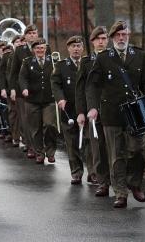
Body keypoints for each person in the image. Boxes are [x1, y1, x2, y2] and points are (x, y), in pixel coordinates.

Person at [86, 20, 145, 208]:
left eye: (125, 35)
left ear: (128, 36)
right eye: (118, 35)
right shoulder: (103, 58)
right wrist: (94, 107)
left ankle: (134, 184)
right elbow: (93, 85)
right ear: (112, 38)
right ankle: (120, 193)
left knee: (137, 150)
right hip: (111, 112)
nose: (121, 38)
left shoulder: (139, 55)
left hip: (135, 112)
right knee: (116, 155)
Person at [76, 26, 110, 194]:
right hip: (93, 111)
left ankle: (116, 179)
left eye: (104, 38)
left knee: (115, 147)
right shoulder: (86, 61)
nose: (101, 42)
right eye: (98, 39)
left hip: (111, 109)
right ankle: (101, 179)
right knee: (97, 147)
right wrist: (82, 111)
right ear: (93, 42)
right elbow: (81, 89)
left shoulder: (114, 58)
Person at [51, 36, 88, 184]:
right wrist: (60, 98)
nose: (76, 49)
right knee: (72, 143)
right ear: (68, 49)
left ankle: (93, 172)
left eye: (79, 46)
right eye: (73, 46)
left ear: (83, 48)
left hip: (87, 108)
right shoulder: (61, 66)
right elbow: (55, 84)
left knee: (90, 141)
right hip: (68, 109)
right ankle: (76, 172)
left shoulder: (88, 64)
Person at [19, 37, 57, 164]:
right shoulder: (27, 62)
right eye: (37, 48)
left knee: (50, 125)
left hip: (49, 99)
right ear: (33, 50)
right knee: (35, 128)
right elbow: (22, 77)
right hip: (32, 100)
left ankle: (50, 152)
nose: (40, 50)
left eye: (42, 48)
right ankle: (39, 153)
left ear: (45, 49)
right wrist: (24, 89)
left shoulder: (52, 61)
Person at [9, 25, 39, 158]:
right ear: (25, 36)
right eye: (30, 33)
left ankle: (39, 145)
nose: (32, 35)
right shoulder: (20, 50)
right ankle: (30, 145)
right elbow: (13, 73)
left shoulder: (44, 48)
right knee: (26, 119)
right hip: (22, 91)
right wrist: (13, 89)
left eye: (34, 33)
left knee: (38, 120)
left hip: (40, 90)